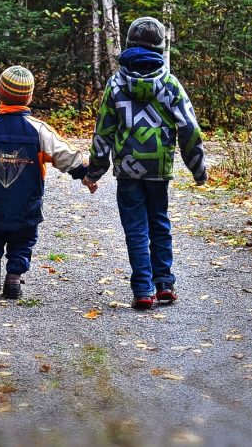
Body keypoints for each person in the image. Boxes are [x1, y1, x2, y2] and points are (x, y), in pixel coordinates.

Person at [83, 17, 207, 310]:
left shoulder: (116, 85)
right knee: (159, 223)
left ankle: (143, 289)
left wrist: (94, 171)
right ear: (161, 47)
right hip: (158, 169)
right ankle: (164, 282)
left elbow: (104, 131)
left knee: (136, 228)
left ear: (128, 45)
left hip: (127, 171)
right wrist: (197, 169)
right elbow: (189, 128)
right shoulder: (169, 85)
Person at [0, 65, 94, 299]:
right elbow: (64, 154)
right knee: (23, 239)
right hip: (26, 203)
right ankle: (13, 279)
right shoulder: (39, 130)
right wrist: (84, 173)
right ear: (30, 97)